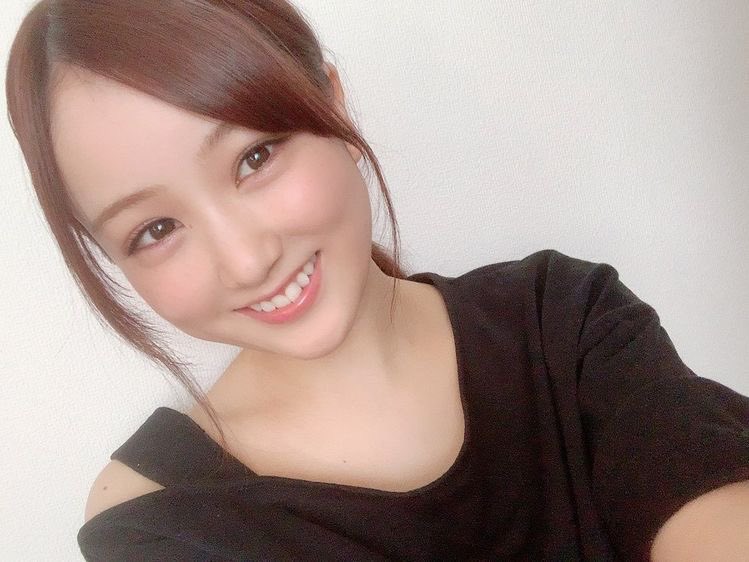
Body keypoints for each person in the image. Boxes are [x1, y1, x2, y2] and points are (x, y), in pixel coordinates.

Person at [6, 1, 748, 560]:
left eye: (254, 158)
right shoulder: (157, 522)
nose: (245, 260)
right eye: (156, 229)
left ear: (330, 104)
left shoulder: (562, 321)